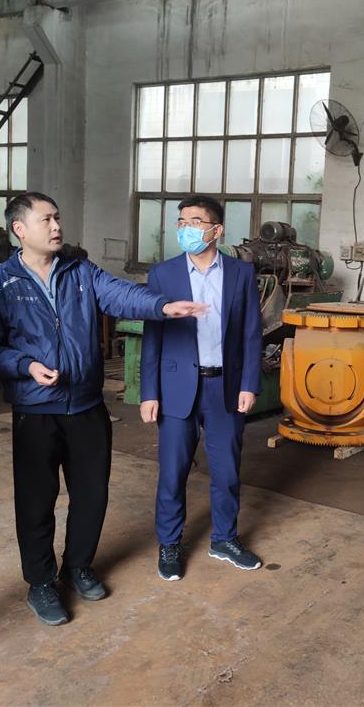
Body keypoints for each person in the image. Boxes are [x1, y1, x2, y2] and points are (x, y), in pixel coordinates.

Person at [0, 191, 205, 626]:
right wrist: (25, 366)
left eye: (58, 217)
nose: (57, 226)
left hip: (87, 407)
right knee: (36, 502)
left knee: (92, 495)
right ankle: (41, 582)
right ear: (19, 229)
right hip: (36, 410)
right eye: (46, 220)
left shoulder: (80, 272)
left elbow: (121, 295)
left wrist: (162, 306)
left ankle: (77, 566)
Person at [140, 195, 264, 581]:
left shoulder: (241, 274)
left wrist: (249, 384)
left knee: (226, 472)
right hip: (177, 387)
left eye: (195, 221)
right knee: (172, 472)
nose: (185, 229)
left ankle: (224, 539)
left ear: (216, 230)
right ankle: (170, 543)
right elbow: (153, 338)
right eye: (181, 222)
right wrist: (149, 392)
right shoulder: (164, 275)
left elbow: (251, 333)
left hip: (224, 387)